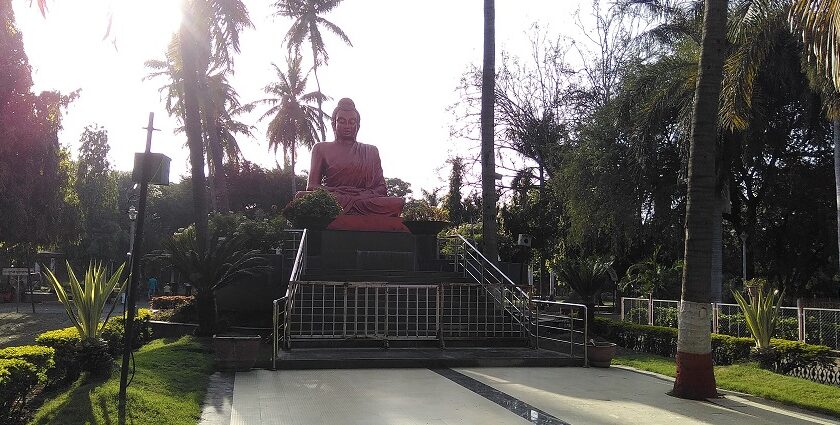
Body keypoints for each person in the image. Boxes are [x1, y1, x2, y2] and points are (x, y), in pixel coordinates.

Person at [303, 98, 405, 217]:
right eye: (342, 121)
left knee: (398, 202)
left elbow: (381, 189)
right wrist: (336, 191)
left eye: (352, 122)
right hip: (335, 198)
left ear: (358, 125)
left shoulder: (371, 151)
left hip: (364, 200)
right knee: (302, 197)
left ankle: (348, 209)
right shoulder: (320, 148)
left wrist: (362, 194)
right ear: (333, 124)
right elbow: (311, 186)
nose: (347, 126)